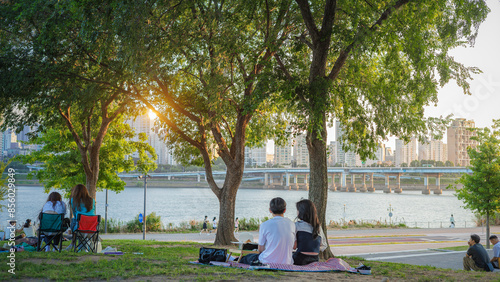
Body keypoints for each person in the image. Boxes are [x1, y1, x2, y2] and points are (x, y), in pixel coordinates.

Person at [240, 197, 295, 265]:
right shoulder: (291, 224)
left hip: (267, 261)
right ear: (285, 210)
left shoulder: (265, 225)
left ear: (270, 210)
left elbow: (260, 249)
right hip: (287, 262)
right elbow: (293, 245)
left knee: (246, 258)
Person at [293, 199, 327, 265]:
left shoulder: (297, 225)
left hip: (300, 259)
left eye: (297, 210)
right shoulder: (318, 227)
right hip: (315, 259)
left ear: (301, 211)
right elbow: (324, 245)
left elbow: (294, 246)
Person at [67, 184, 96, 250]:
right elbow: (93, 211)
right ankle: (79, 246)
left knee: (74, 220)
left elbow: (74, 214)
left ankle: (72, 243)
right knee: (76, 221)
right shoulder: (92, 200)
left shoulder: (73, 200)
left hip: (80, 226)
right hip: (92, 227)